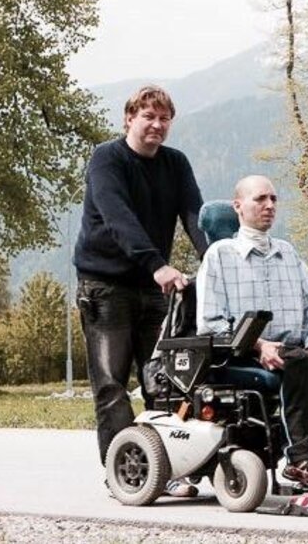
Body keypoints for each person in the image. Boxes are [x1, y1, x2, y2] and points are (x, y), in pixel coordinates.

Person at [73, 85, 208, 497]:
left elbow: (193, 215)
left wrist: (219, 259)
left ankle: (171, 469)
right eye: (148, 116)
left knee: (164, 382)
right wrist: (157, 265)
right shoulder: (107, 159)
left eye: (164, 118)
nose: (157, 124)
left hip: (152, 290)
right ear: (129, 118)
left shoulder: (175, 163)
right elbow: (118, 218)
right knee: (112, 385)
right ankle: (126, 472)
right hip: (105, 286)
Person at [196, 175, 308, 490]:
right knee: (302, 363)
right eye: (260, 199)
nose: (269, 205)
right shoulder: (220, 255)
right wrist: (259, 345)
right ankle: (302, 460)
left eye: (273, 199)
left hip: (294, 351)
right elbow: (210, 321)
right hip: (240, 354)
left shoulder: (287, 252)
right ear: (238, 206)